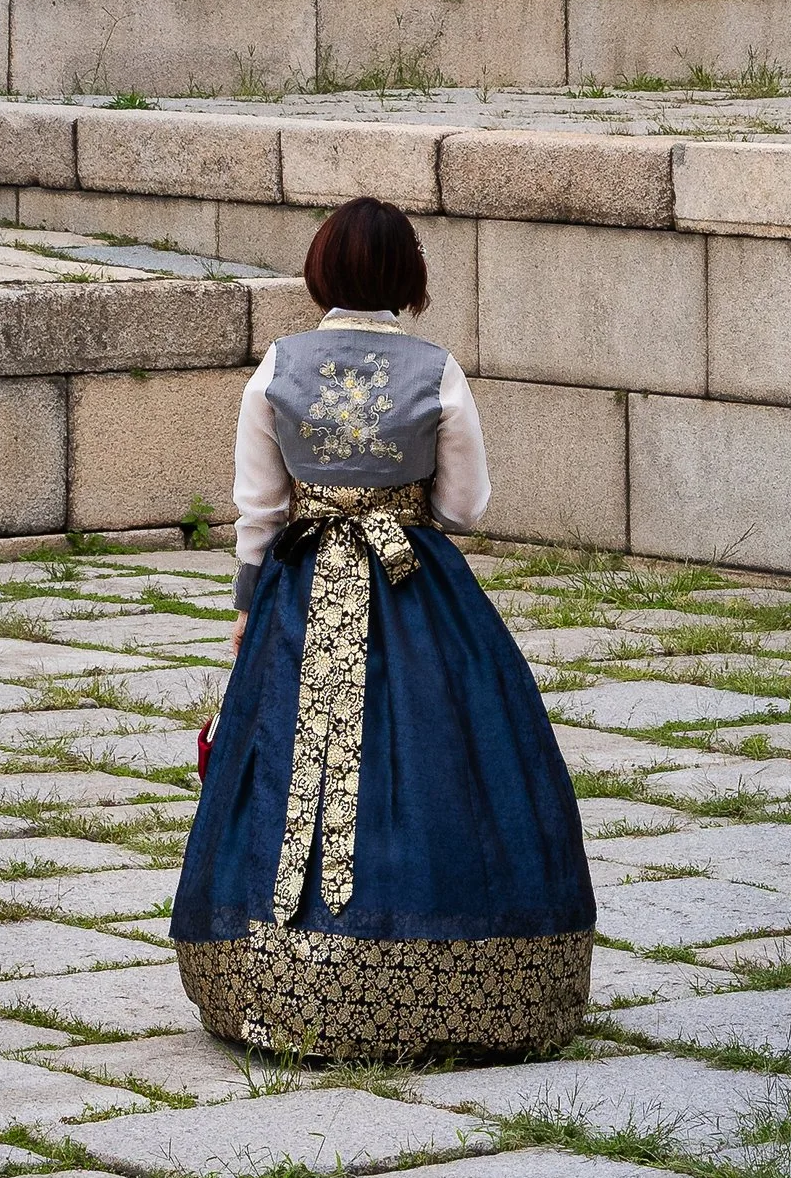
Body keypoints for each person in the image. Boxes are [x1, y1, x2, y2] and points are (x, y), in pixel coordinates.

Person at [171, 195, 595, 1060]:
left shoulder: (277, 367)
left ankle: (282, 981)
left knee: (292, 767)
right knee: (446, 760)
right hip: (414, 583)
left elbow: (257, 515)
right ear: (409, 277)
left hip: (298, 591)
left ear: (320, 271)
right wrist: (402, 505)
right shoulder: (436, 370)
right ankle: (468, 984)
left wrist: (248, 619)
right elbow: (467, 506)